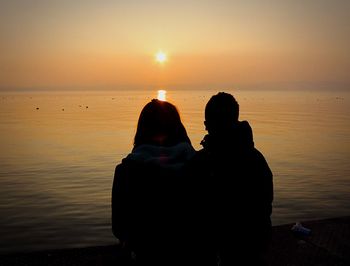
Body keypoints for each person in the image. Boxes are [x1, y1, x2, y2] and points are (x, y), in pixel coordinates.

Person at [185, 92, 273, 266]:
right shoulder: (256, 159)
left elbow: (192, 214)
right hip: (251, 248)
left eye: (208, 123)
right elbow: (264, 208)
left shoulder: (201, 163)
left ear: (207, 124)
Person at [112, 99, 196, 266]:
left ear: (141, 130)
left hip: (147, 256)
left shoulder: (126, 170)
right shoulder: (198, 165)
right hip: (191, 256)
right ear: (179, 128)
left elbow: (119, 228)